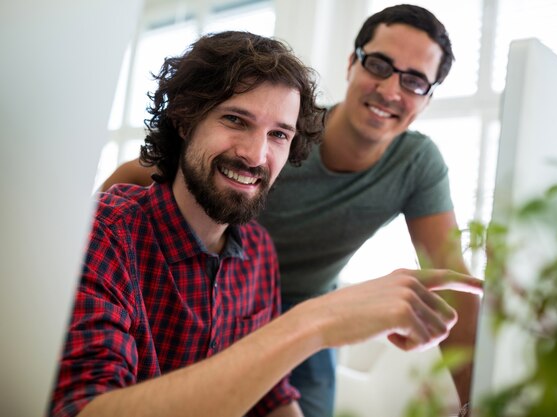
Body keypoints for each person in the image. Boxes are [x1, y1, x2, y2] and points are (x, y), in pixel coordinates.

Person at [51, 30, 482, 417]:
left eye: (279, 134)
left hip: (284, 303)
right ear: (185, 118)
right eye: (235, 120)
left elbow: (273, 397)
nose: (256, 155)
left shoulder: (257, 251)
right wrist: (79, 230)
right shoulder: (107, 235)